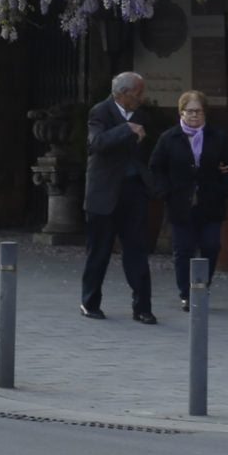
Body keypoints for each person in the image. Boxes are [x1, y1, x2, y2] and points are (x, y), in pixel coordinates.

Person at [145, 88, 228, 312]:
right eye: (190, 111)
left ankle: (202, 287)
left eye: (199, 111)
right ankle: (186, 293)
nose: (194, 115)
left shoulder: (218, 137)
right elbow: (156, 168)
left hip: (210, 201)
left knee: (211, 245)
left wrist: (224, 189)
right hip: (180, 202)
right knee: (183, 249)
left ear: (205, 113)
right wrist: (165, 192)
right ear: (181, 113)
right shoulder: (169, 138)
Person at [80, 70, 157, 325]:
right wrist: (126, 129)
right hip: (104, 193)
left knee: (136, 251)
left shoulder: (142, 116)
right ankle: (90, 303)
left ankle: (143, 307)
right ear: (122, 95)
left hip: (133, 191)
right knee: (99, 252)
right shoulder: (100, 112)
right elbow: (97, 143)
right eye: (137, 93)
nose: (141, 98)